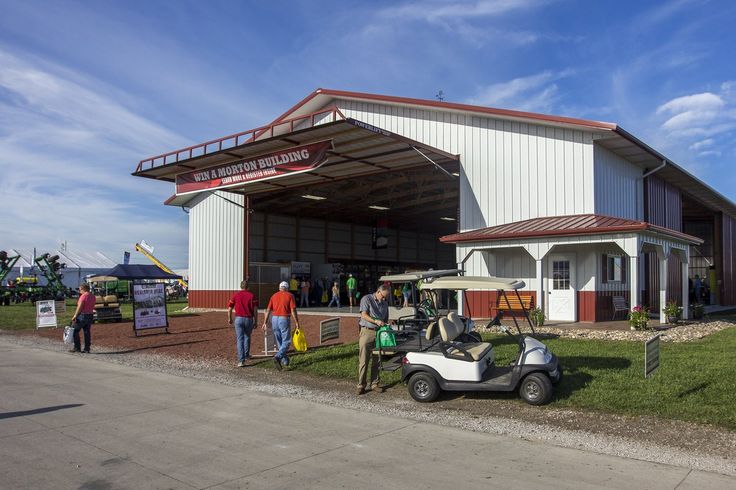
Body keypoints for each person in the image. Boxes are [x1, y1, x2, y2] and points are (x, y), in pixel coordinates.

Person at [356, 284, 390, 395]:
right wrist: (376, 321)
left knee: (377, 360)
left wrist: (386, 323)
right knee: (364, 359)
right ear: (378, 292)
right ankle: (361, 384)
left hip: (379, 333)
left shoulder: (385, 303)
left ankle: (375, 383)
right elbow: (364, 315)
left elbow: (385, 318)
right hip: (367, 331)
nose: (384, 299)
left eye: (386, 297)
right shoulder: (366, 299)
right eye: (383, 296)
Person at [262, 281, 300, 370]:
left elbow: (268, 310)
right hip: (284, 318)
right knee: (286, 341)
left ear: (279, 288)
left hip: (274, 318)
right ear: (287, 288)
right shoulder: (290, 296)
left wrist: (265, 322)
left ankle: (285, 361)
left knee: (279, 340)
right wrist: (297, 322)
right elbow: (293, 310)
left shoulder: (273, 296)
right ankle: (278, 357)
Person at [227, 280, 257, 367]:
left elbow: (229, 308)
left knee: (240, 339)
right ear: (248, 287)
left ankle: (241, 360)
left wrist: (229, 318)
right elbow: (255, 309)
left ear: (241, 286)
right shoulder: (252, 296)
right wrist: (256, 320)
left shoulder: (236, 295)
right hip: (248, 319)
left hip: (238, 319)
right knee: (247, 337)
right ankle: (246, 354)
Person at [70, 283, 95, 353]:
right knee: (87, 332)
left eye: (80, 289)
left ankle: (77, 347)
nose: (79, 291)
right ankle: (87, 348)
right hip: (90, 315)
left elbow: (80, 307)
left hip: (82, 315)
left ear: (83, 289)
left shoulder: (83, 296)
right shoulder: (93, 296)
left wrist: (75, 315)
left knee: (75, 330)